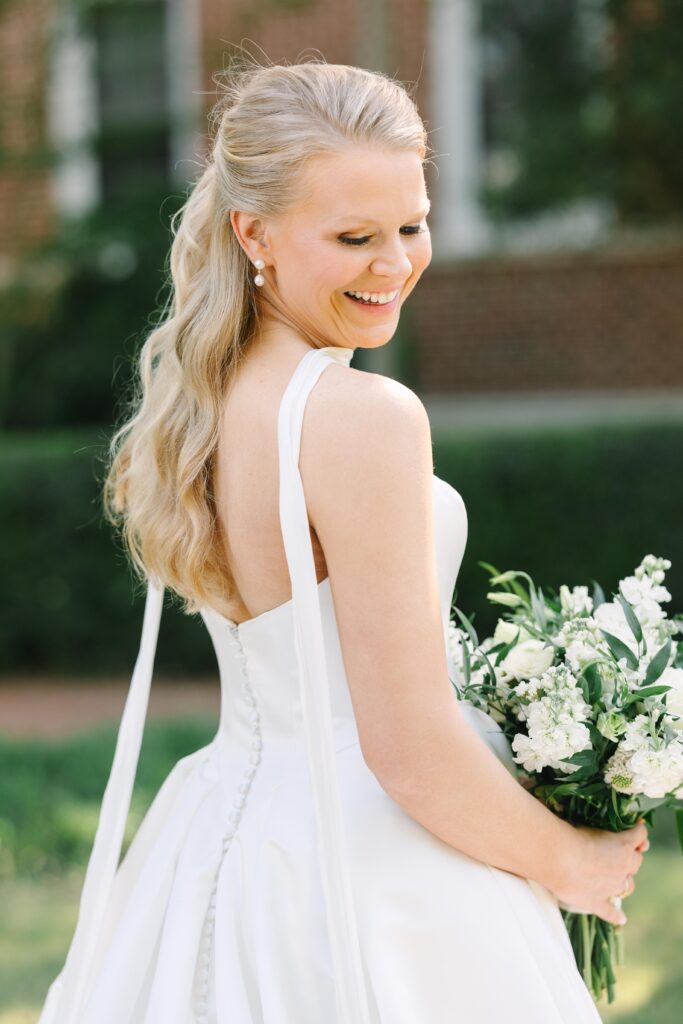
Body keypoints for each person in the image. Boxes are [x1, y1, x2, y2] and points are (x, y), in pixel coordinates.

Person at [38, 57, 649, 1024]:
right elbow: (406, 747)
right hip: (367, 866)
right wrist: (569, 862)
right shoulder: (363, 416)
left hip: (225, 842)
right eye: (353, 236)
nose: (395, 263)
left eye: (412, 226)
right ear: (255, 234)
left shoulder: (205, 405)